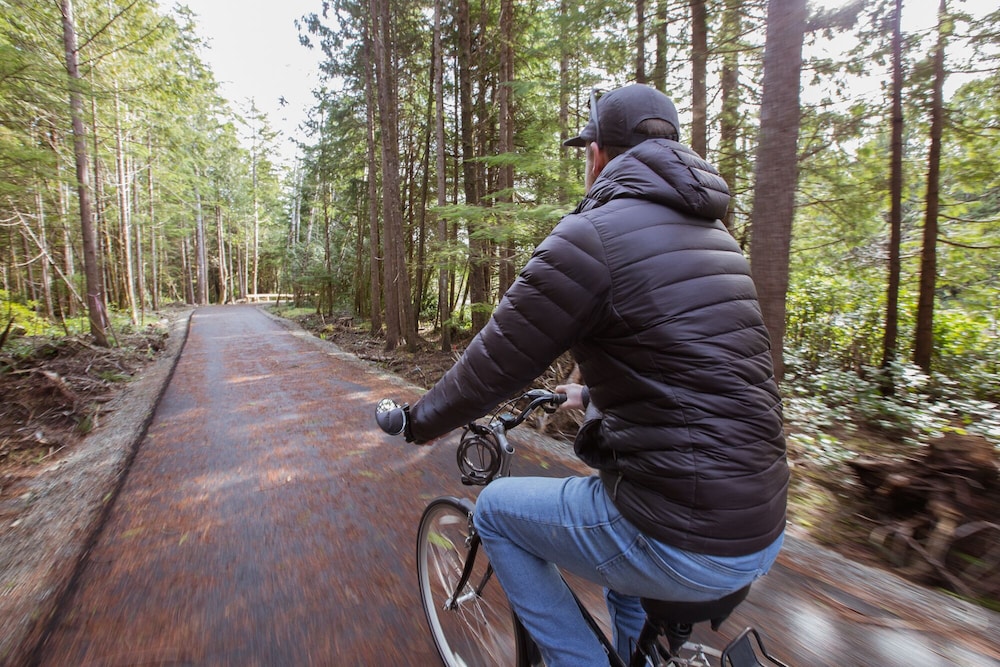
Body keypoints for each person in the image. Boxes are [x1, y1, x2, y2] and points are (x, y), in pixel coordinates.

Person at [402, 83, 789, 666]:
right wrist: (588, 391)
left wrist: (417, 420)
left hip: (683, 535)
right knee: (620, 558)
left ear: (599, 155)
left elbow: (496, 361)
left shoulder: (593, 235)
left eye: (586, 152)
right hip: (760, 523)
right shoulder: (717, 239)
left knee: (498, 512)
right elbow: (694, 370)